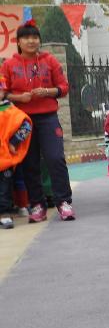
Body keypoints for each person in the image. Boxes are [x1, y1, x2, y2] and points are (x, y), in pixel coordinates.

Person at [0, 20, 73, 222]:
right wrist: (18, 97)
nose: (31, 41)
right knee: (29, 164)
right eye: (26, 37)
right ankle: (37, 205)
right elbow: (2, 92)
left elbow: (64, 87)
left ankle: (64, 202)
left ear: (39, 40)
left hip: (49, 118)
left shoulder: (50, 61)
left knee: (55, 158)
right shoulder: (8, 65)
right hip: (22, 121)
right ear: (19, 41)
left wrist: (48, 92)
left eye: (35, 37)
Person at [0, 76, 32, 229]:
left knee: (4, 186)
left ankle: (4, 213)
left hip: (4, 158)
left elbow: (26, 125)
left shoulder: (10, 110)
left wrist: (14, 142)